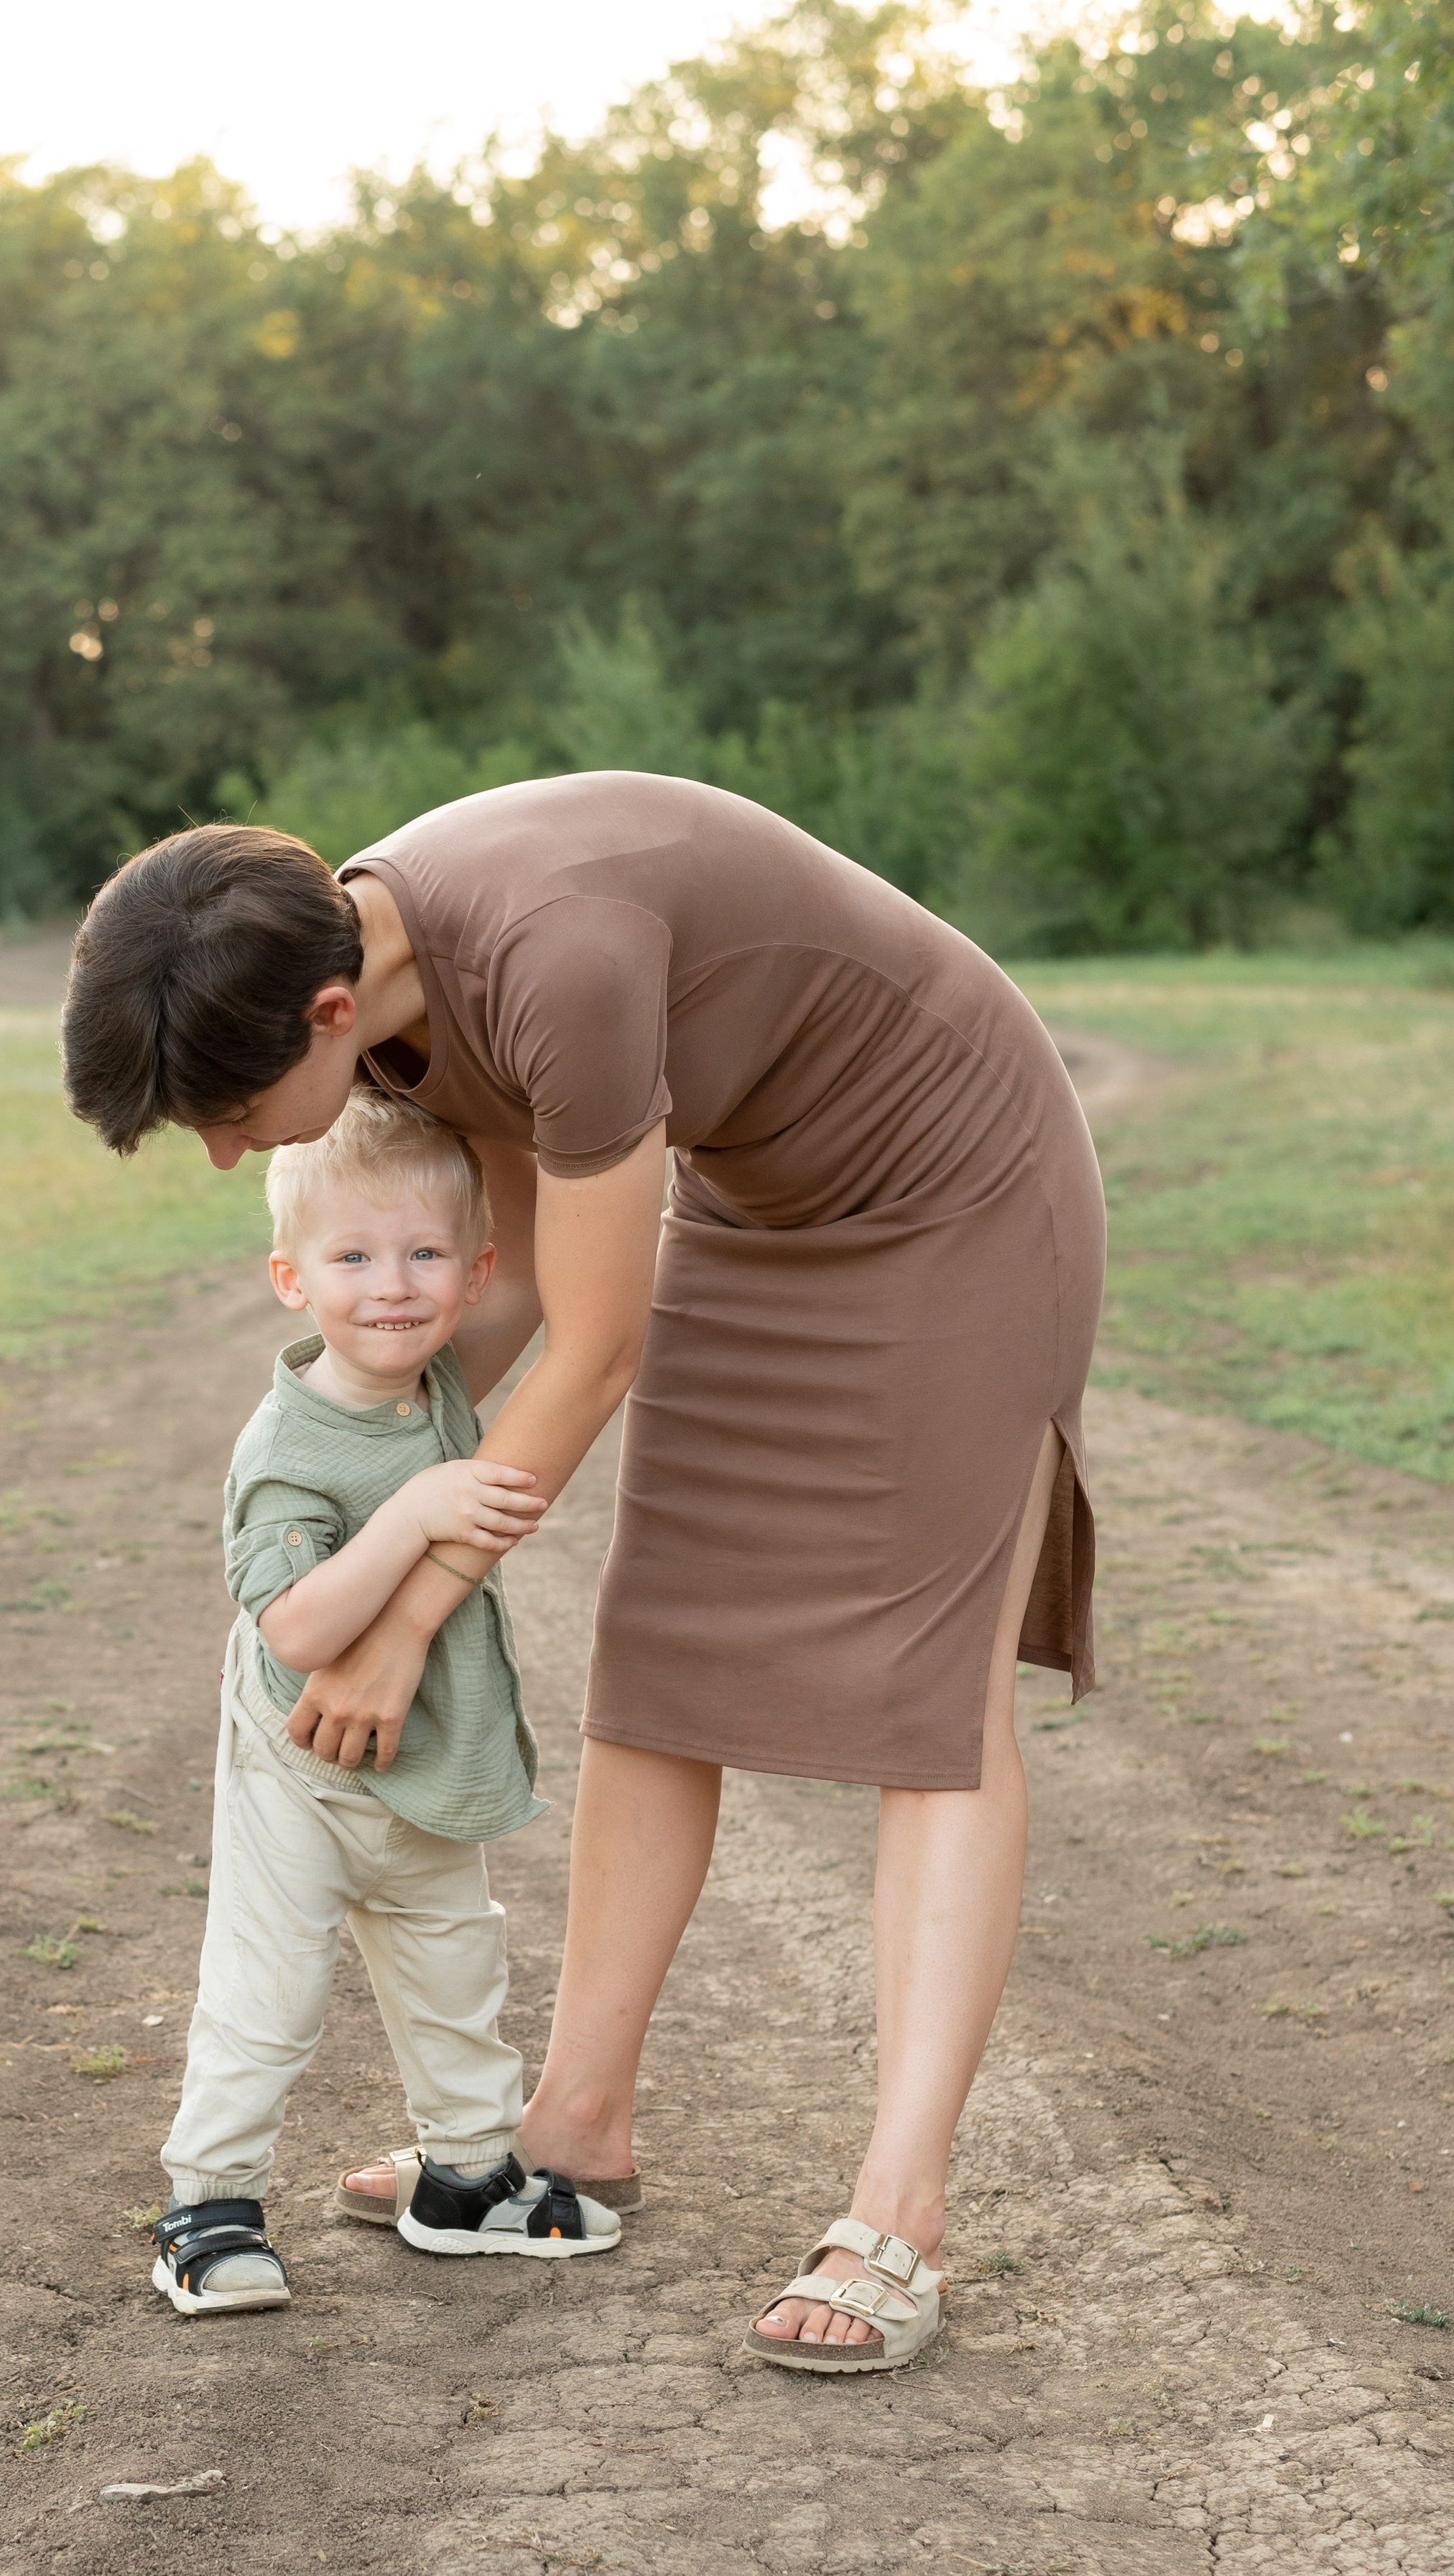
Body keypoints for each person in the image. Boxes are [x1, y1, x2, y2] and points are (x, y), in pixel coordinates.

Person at [64, 773, 1106, 2373]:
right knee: (660, 1654)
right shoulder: (388, 993)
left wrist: (405, 1618)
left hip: (954, 1190)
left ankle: (897, 2213)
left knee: (930, 1704)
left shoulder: (557, 957)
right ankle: (575, 2123)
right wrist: (335, 1472)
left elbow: (598, 1344)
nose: (222, 1157)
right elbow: (520, 1301)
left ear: (325, 1014)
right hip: (757, 1206)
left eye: (224, 1116)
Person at [148, 1090, 622, 2316]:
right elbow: (295, 1625)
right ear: (292, 1279)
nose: (392, 1285)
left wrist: (497, 1091)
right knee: (269, 1990)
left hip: (425, 1757)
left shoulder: (443, 1378)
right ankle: (209, 2205)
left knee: (455, 1966)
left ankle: (465, 2178)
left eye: (422, 1255)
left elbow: (551, 1299)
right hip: (299, 1769)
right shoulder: (291, 1439)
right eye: (353, 1257)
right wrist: (416, 1510)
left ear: (469, 1276)